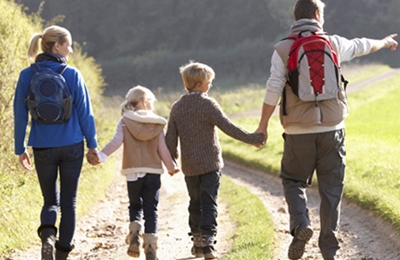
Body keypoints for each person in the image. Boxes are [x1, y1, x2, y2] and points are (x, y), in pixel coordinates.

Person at [254, 1, 398, 259]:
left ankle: (301, 224)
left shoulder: (283, 49)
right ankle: (329, 250)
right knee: (332, 189)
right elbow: (364, 45)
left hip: (298, 132)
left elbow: (273, 88)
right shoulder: (334, 43)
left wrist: (262, 126)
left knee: (293, 181)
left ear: (296, 16)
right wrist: (385, 41)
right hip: (333, 129)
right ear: (318, 15)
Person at [165, 61, 266, 259]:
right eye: (208, 82)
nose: (210, 85)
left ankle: (197, 242)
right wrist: (253, 139)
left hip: (190, 166)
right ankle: (209, 244)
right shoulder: (208, 103)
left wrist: (171, 161)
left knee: (195, 202)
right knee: (209, 202)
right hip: (211, 164)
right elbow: (228, 127)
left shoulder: (177, 107)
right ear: (198, 85)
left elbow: (170, 137)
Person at [13, 25, 98, 260]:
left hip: (42, 145)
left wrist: (20, 149)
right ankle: (61, 254)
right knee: (69, 202)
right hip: (72, 145)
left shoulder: (26, 75)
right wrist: (92, 145)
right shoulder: (72, 74)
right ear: (57, 46)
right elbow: (85, 113)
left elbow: (20, 116)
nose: (70, 51)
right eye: (68, 45)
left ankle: (48, 236)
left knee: (50, 200)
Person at [88, 85, 180, 260]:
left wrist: (101, 155)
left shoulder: (125, 121)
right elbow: (163, 149)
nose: (152, 105)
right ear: (145, 102)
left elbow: (116, 142)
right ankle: (151, 246)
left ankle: (135, 232)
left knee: (135, 205)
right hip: (153, 172)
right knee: (151, 209)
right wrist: (171, 166)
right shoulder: (157, 124)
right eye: (151, 102)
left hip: (133, 172)